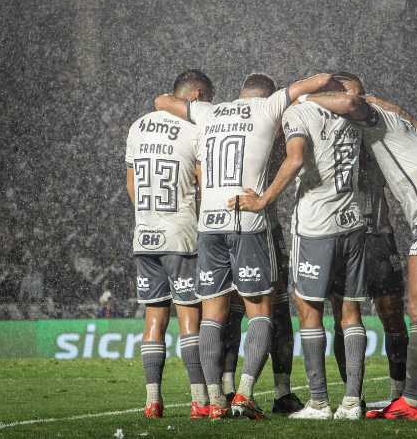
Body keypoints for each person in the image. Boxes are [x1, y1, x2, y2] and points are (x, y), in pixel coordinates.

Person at [155, 72, 333, 420]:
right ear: (269, 96)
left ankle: (214, 401)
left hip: (209, 224)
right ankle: (246, 396)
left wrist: (199, 105)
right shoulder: (268, 108)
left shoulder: (210, 112)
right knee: (263, 310)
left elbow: (162, 100)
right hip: (248, 221)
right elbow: (320, 80)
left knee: (213, 317)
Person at [302, 85, 417, 420]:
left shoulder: (375, 116)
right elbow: (399, 115)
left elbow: (355, 103)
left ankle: (410, 402)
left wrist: (303, 98)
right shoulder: (397, 123)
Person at [228, 78, 368, 420]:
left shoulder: (301, 111)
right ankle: (353, 402)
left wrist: (263, 200)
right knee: (349, 314)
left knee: (310, 313)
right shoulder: (358, 115)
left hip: (317, 224)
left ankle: (319, 402)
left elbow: (294, 160)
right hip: (353, 220)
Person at [125, 69, 214, 419]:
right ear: (195, 95)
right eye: (207, 98)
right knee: (189, 316)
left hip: (144, 234)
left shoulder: (137, 126)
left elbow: (132, 185)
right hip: (181, 233)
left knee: (154, 318)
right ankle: (198, 401)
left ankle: (152, 401)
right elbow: (205, 187)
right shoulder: (194, 128)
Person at [329, 73, 416, 402]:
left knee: (392, 312)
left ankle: (399, 394)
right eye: (355, 94)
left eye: (363, 95)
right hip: (338, 234)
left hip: (378, 235)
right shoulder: (322, 124)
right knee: (343, 318)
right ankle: (353, 396)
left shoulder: (376, 126)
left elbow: (412, 125)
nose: (359, 100)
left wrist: (373, 102)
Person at [220, 129, 304, 414]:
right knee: (244, 312)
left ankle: (273, 392)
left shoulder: (235, 135)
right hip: (247, 231)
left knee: (268, 311)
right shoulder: (258, 133)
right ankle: (235, 390)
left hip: (250, 231)